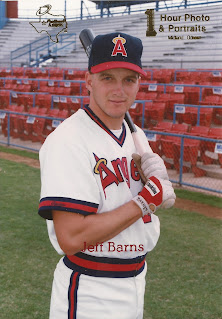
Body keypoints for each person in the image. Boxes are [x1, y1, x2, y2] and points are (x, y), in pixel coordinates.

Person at [38, 32, 176, 319]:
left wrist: (157, 184)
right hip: (90, 290)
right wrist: (144, 201)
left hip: (136, 280)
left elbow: (147, 200)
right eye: (107, 78)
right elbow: (72, 237)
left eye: (129, 79)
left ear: (139, 83)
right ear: (88, 81)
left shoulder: (134, 138)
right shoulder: (68, 140)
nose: (119, 90)